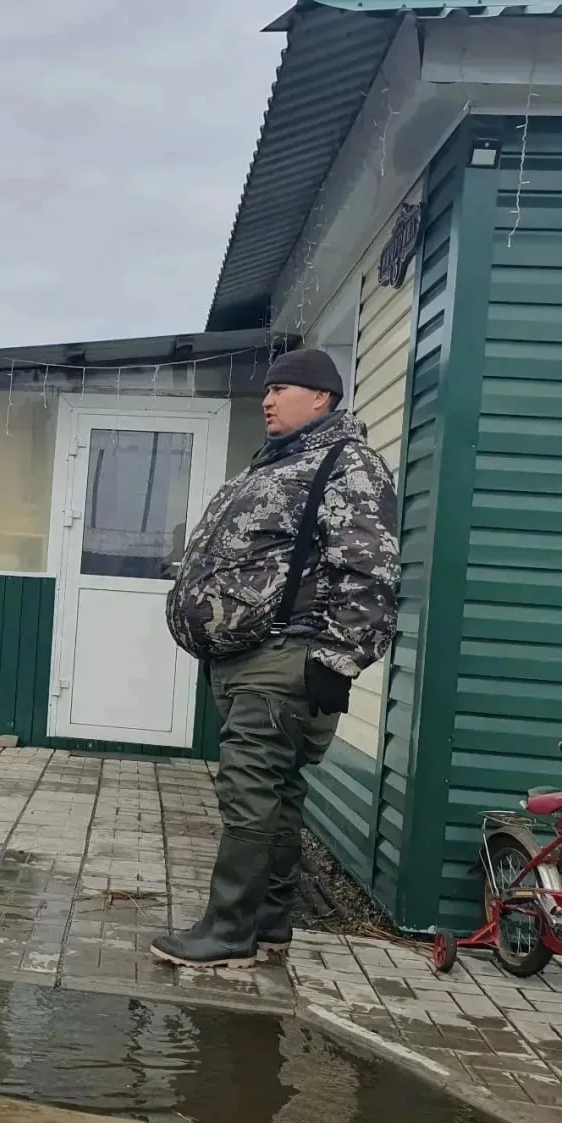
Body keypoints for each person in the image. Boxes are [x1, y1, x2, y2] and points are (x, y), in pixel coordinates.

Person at [154, 347, 399, 969]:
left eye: (282, 388)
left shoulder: (347, 464)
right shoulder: (278, 463)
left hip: (285, 658)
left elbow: (369, 573)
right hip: (246, 657)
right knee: (278, 794)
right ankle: (268, 924)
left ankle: (227, 931)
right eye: (267, 389)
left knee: (249, 790)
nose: (267, 400)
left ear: (321, 397)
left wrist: (336, 661)